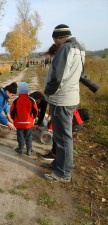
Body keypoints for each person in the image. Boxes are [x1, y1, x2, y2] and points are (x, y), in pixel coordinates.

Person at [43, 24, 85, 182]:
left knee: (62, 137)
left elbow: (58, 77)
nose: (54, 42)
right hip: (70, 96)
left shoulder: (65, 48)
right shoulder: (79, 48)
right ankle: (59, 165)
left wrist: (48, 91)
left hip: (61, 99)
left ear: (58, 37)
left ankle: (63, 173)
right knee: (61, 137)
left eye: (54, 39)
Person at [10, 82, 38, 156]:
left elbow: (12, 111)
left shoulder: (15, 100)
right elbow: (35, 111)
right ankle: (29, 150)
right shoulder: (32, 100)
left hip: (19, 123)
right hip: (29, 123)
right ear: (27, 90)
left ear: (19, 90)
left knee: (20, 136)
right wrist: (33, 119)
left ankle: (20, 149)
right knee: (28, 137)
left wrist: (14, 119)